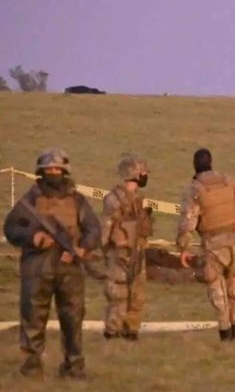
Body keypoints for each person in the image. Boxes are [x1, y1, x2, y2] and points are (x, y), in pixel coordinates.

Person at [2, 149, 102, 379]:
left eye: (57, 169)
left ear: (65, 171)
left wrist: (82, 248)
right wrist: (33, 237)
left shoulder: (77, 200)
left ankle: (74, 366)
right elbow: (11, 228)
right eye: (49, 169)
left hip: (69, 268)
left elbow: (93, 229)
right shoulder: (30, 200)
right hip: (37, 267)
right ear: (41, 171)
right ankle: (32, 364)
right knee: (33, 317)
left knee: (73, 318)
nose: (53, 172)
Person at [176, 148, 235, 341]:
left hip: (213, 244)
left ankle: (225, 334)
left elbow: (187, 221)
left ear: (194, 165)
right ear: (211, 162)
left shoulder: (195, 189)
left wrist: (183, 248)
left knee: (217, 288)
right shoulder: (228, 180)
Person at [99, 154, 154, 341]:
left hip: (137, 251)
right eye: (143, 173)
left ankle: (131, 330)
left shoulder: (139, 198)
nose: (146, 176)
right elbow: (106, 227)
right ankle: (113, 331)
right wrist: (106, 250)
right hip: (119, 252)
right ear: (135, 174)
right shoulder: (113, 199)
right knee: (118, 294)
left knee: (137, 293)